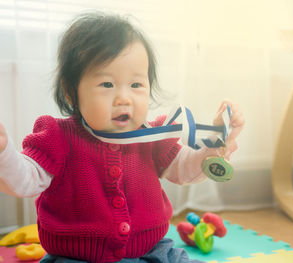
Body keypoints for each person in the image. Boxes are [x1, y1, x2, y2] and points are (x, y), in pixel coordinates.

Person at [0, 11, 244, 263]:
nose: (124, 98)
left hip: (152, 251)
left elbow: (185, 169)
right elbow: (23, 180)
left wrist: (217, 145)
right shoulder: (58, 137)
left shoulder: (152, 135)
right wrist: (4, 153)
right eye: (107, 84)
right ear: (71, 92)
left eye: (136, 85)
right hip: (75, 258)